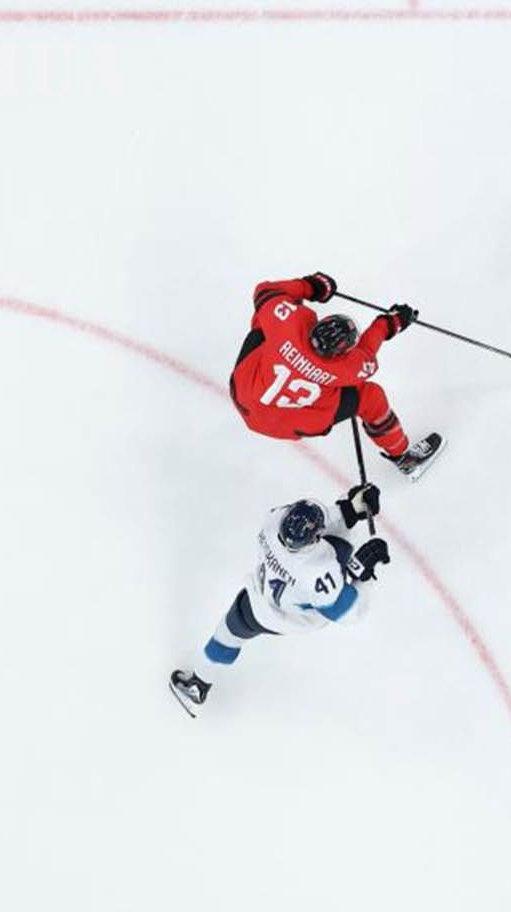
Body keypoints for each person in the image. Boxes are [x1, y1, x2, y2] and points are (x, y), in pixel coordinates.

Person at [169, 485, 389, 717]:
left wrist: (350, 507)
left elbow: (315, 521)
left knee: (227, 634)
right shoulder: (318, 572)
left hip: (259, 603)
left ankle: (196, 686)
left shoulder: (273, 522)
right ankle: (348, 571)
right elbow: (348, 614)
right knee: (339, 553)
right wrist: (363, 575)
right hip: (298, 618)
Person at [229, 272, 442, 480]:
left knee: (266, 320)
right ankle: (403, 457)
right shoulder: (346, 368)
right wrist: (390, 323)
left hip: (243, 397)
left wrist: (312, 286)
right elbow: (367, 352)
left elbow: (265, 291)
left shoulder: (289, 325)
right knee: (370, 396)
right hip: (291, 425)